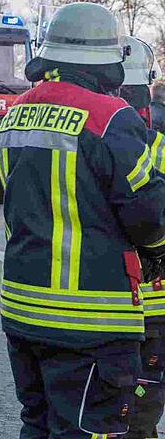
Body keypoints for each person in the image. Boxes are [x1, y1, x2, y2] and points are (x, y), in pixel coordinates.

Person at [0, 3, 165, 438]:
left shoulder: (17, 112)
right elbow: (148, 213)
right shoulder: (110, 117)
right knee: (87, 430)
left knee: (37, 424)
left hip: (23, 308)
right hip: (89, 318)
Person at [118, 35, 165, 439]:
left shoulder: (91, 143)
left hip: (106, 303)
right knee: (144, 400)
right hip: (155, 304)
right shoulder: (160, 149)